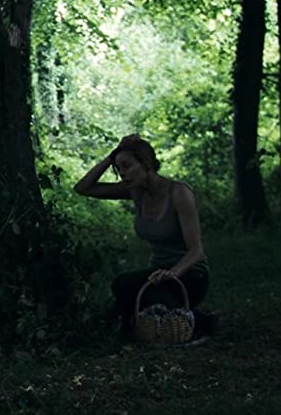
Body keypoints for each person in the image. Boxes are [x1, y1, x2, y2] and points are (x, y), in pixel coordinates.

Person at [74, 134, 216, 342]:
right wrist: (110, 157)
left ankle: (202, 322)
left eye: (127, 166)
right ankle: (124, 324)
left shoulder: (179, 192)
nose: (122, 173)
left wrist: (173, 272)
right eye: (119, 168)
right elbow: (83, 188)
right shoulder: (135, 191)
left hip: (190, 275)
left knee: (147, 296)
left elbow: (197, 251)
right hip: (157, 274)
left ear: (146, 163)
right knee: (122, 284)